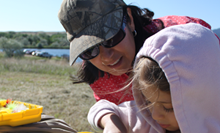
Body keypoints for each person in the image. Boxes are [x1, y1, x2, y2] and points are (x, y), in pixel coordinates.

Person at [87, 23, 220, 133]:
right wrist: (110, 121)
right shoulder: (145, 117)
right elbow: (100, 108)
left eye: (168, 107)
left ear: (202, 98)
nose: (155, 115)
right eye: (148, 101)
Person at [58, 0, 219, 105]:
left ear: (129, 19)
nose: (106, 57)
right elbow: (111, 108)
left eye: (110, 38)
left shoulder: (185, 38)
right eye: (89, 49)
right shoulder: (96, 71)